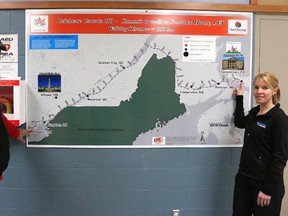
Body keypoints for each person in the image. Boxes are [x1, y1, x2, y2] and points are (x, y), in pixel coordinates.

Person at [232, 72, 288, 216]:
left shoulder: (279, 119)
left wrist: (267, 190)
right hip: (244, 180)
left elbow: (280, 158)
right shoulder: (255, 112)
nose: (259, 92)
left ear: (275, 90)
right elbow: (239, 122)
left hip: (265, 185)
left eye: (265, 88)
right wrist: (239, 97)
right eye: (256, 87)